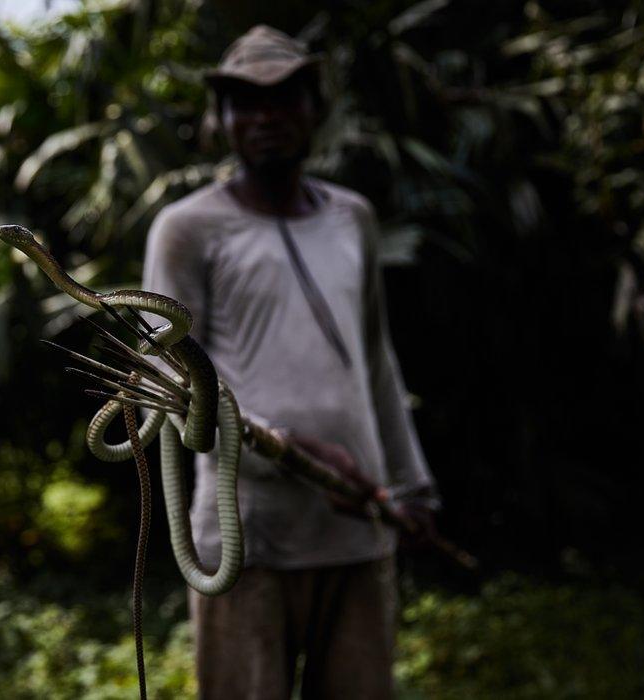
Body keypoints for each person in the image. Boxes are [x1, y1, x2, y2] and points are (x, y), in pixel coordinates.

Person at [142, 25, 439, 699]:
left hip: (358, 530)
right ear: (221, 120)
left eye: (284, 99)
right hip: (249, 543)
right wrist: (299, 449)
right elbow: (168, 386)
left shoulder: (352, 217)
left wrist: (412, 482)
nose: (265, 117)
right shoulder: (186, 228)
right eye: (244, 102)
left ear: (316, 108)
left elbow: (375, 358)